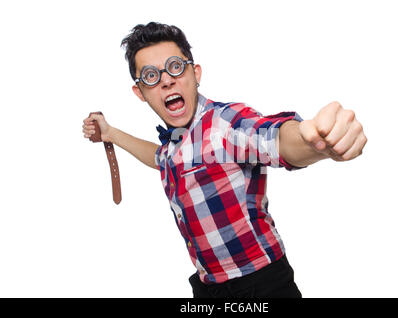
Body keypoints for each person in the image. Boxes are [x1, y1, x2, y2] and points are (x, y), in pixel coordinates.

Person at [82, 22, 367, 298]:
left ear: (196, 73)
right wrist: (111, 134)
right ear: (140, 92)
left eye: (175, 67)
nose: (167, 80)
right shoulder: (175, 144)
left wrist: (314, 141)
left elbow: (274, 139)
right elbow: (160, 159)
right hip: (208, 287)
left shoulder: (224, 126)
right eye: (151, 76)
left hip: (260, 285)